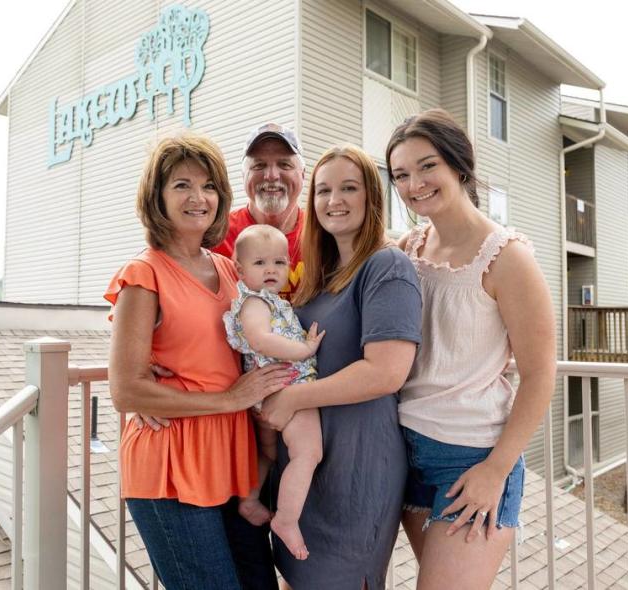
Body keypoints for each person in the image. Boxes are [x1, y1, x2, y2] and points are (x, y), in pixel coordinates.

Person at [105, 133, 291, 590]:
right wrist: (230, 398)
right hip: (171, 465)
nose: (198, 197)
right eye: (182, 185)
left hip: (234, 459)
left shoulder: (231, 269)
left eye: (208, 186)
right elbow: (125, 390)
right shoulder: (142, 274)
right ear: (157, 197)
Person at [387, 109, 556, 589]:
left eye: (426, 166)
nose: (414, 183)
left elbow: (541, 374)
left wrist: (496, 470)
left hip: (470, 459)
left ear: (459, 165)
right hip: (405, 451)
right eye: (401, 174)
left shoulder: (508, 257)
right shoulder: (407, 249)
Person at [258, 145, 422, 589]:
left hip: (357, 467)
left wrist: (291, 397)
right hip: (306, 474)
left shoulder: (387, 266)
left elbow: (385, 372)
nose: (335, 201)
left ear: (371, 196)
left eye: (349, 188)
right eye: (324, 190)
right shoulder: (318, 277)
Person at [222, 224, 324, 560]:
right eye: (260, 263)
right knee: (308, 453)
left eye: (279, 263)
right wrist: (305, 350)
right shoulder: (254, 303)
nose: (271, 270)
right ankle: (287, 519)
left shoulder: (271, 301)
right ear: (239, 269)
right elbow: (261, 340)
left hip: (269, 392)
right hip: (284, 385)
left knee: (269, 454)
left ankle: (250, 500)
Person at [213, 123, 306, 301]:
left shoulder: (322, 233)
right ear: (243, 175)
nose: (271, 175)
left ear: (302, 174)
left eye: (284, 164)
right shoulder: (217, 235)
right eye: (259, 165)